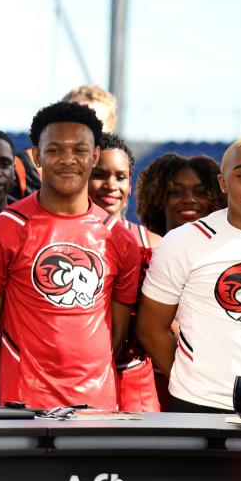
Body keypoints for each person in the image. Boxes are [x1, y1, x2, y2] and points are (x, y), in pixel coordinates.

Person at [0, 102, 140, 410]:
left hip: (98, 409)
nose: (67, 160)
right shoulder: (3, 231)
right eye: (54, 150)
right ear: (36, 155)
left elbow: (113, 335)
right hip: (26, 410)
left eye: (79, 150)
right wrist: (14, 395)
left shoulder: (120, 238)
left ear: (95, 155)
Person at [137, 136, 241, 414]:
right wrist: (193, 382)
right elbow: (151, 328)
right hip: (195, 407)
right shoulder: (182, 241)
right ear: (223, 183)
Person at [88, 133, 161, 412]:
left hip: (135, 382)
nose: (111, 185)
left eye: (120, 177)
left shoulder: (155, 244)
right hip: (76, 382)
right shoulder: (61, 241)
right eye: (100, 175)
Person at [135, 153, 225, 236]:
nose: (189, 199)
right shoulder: (143, 250)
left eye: (200, 192)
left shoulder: (230, 250)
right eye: (176, 192)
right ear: (156, 199)